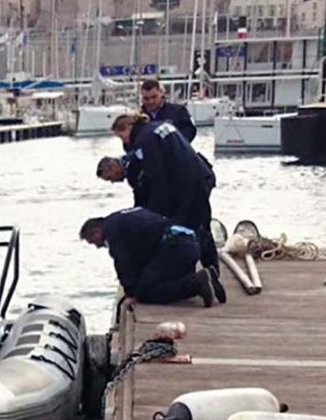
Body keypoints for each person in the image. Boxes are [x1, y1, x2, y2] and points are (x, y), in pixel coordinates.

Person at [111, 113, 222, 298]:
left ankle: (196, 278)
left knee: (185, 231)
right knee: (201, 226)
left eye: (121, 135)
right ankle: (210, 271)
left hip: (187, 185)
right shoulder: (157, 127)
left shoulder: (145, 139)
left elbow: (157, 176)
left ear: (128, 127)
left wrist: (157, 214)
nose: (123, 141)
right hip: (199, 176)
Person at [80, 207, 221, 307]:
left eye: (93, 242)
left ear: (96, 231)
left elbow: (123, 262)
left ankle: (196, 284)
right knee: (155, 279)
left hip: (176, 248)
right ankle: (209, 280)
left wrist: (131, 294)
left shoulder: (112, 232)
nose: (98, 246)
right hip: (187, 242)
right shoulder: (121, 218)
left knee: (147, 293)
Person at [140, 79, 196, 143]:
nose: (150, 101)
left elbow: (190, 131)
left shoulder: (179, 111)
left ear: (161, 93)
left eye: (154, 97)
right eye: (146, 98)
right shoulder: (138, 117)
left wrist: (177, 144)